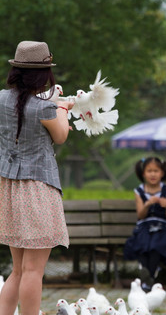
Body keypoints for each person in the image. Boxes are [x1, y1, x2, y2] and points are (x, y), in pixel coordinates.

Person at [0, 41, 74, 315]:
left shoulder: (0, 99)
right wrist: (63, 108)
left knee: (18, 270)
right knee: (33, 270)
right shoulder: (44, 108)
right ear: (43, 74)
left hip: (8, 187)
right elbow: (61, 136)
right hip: (37, 190)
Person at [124, 157, 166, 292]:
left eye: (156, 171)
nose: (153, 174)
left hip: (163, 227)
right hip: (144, 227)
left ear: (162, 173)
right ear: (143, 173)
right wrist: (147, 204)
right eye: (149, 171)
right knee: (142, 242)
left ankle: (149, 277)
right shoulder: (139, 191)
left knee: (156, 244)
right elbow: (140, 215)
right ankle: (147, 274)